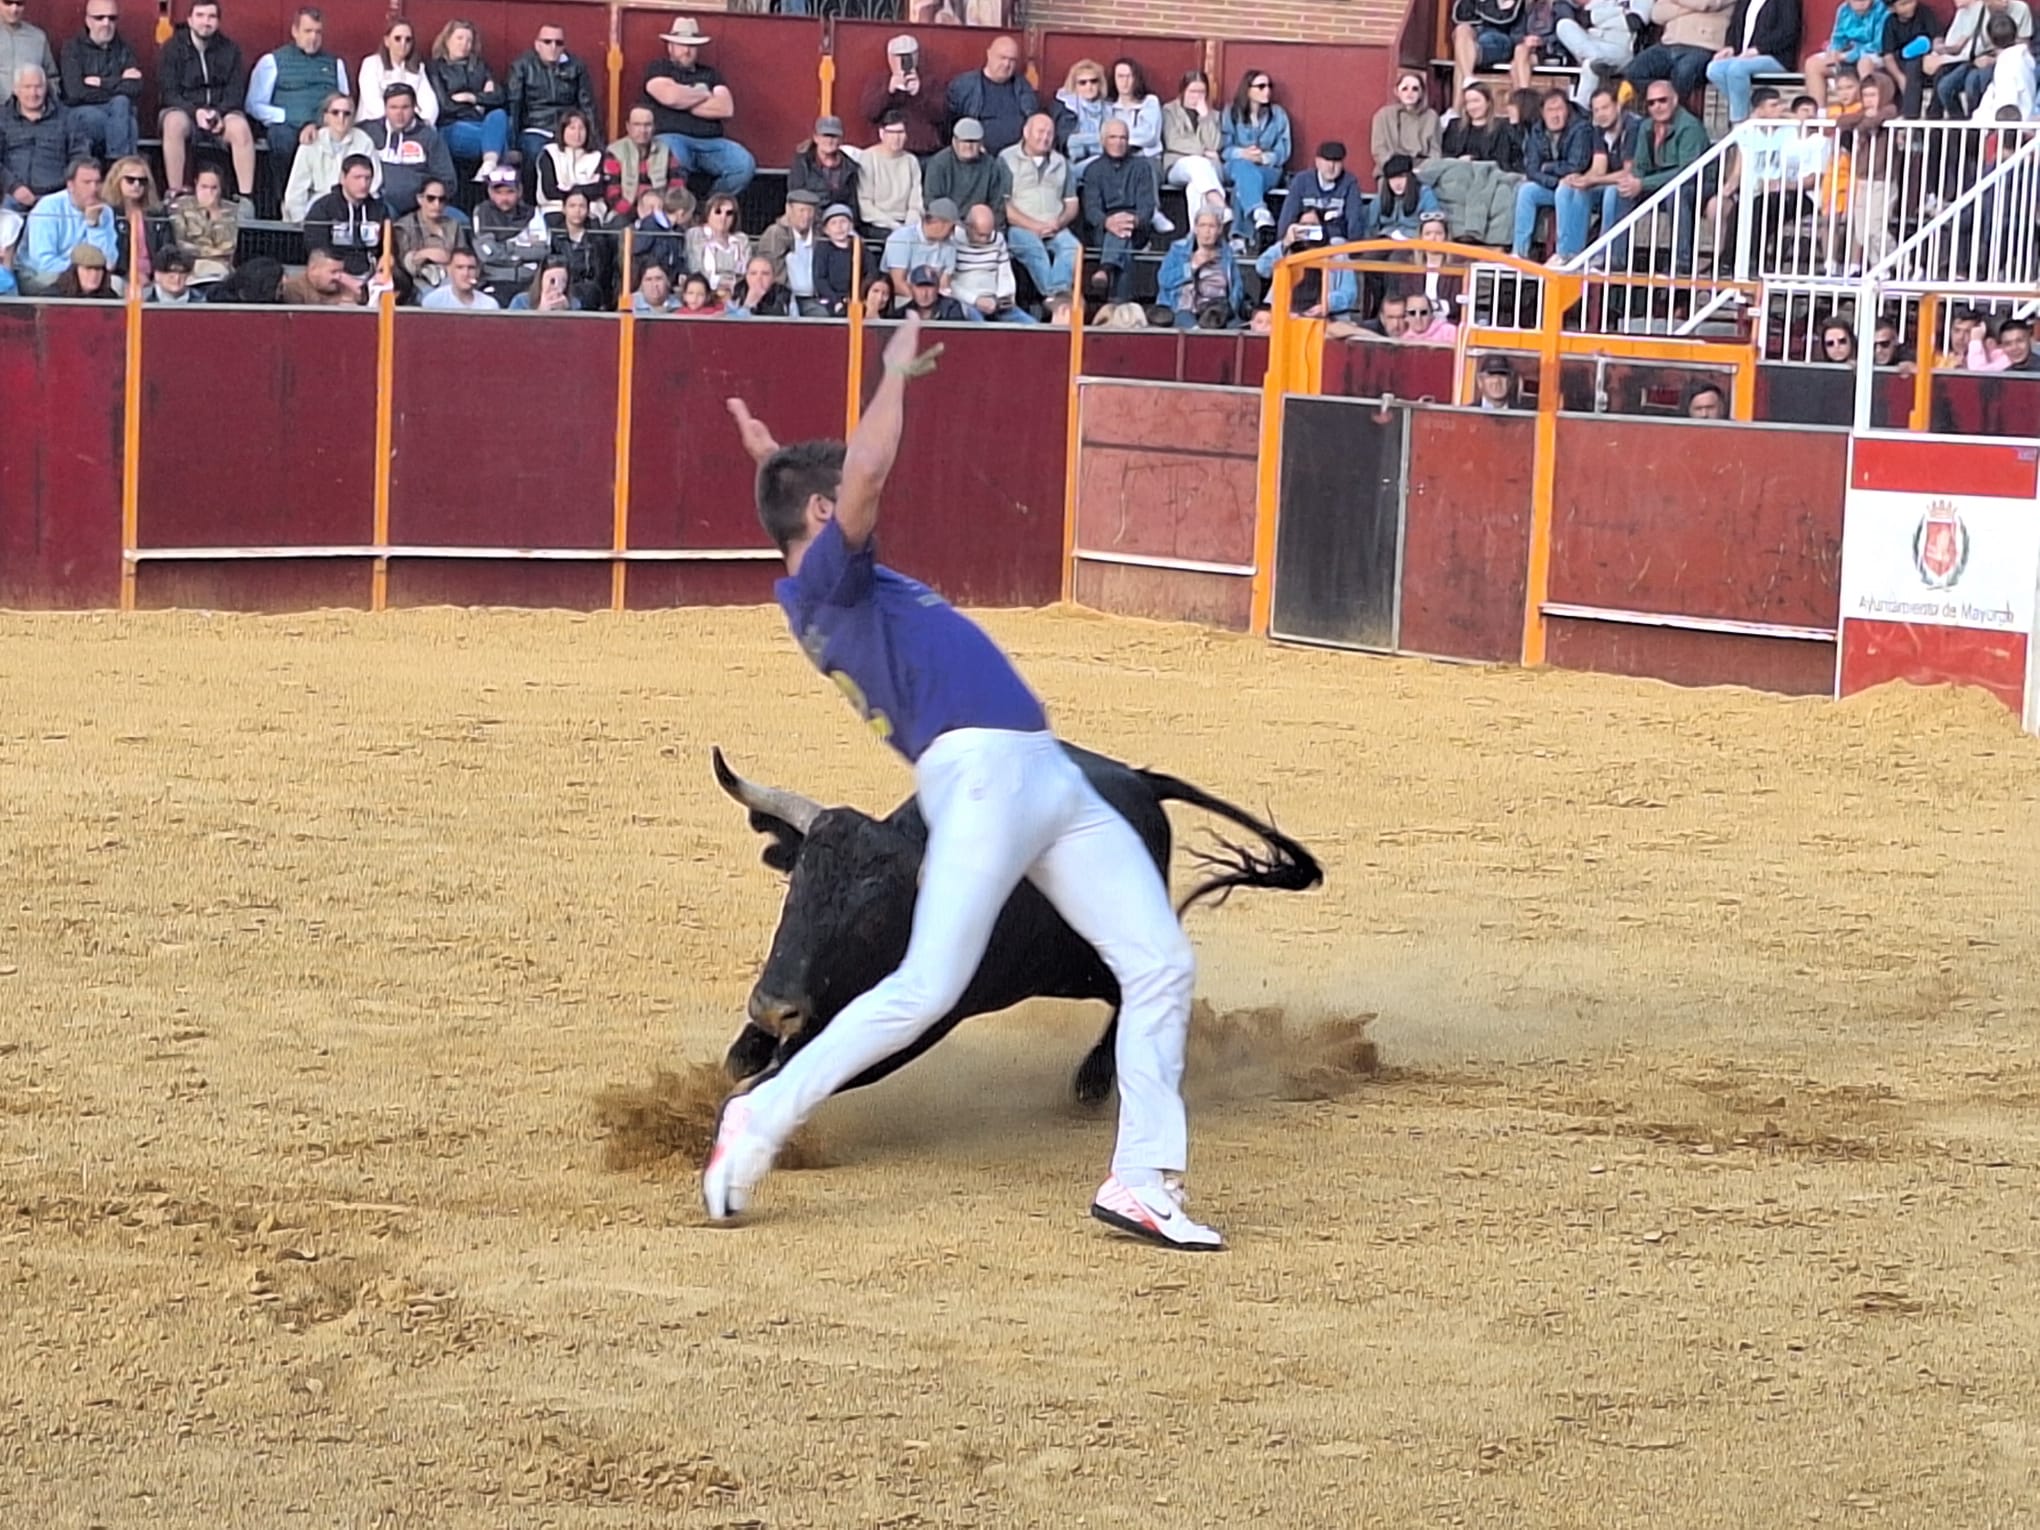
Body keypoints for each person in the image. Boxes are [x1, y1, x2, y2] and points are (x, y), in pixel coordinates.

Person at [705, 313, 1222, 1252]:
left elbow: (815, 490)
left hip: (1042, 769)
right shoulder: (833, 580)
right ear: (823, 522)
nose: (863, 510)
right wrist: (895, 374)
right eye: (838, 507)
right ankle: (761, 1117)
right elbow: (861, 474)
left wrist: (766, 456)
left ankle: (1141, 1181)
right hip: (982, 774)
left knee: (1159, 963)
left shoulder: (824, 581)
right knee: (927, 987)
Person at [642, 16, 754, 197]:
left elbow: (725, 108)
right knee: (675, 155)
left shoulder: (710, 74)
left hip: (711, 142)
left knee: (744, 164)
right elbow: (670, 97)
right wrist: (703, 94)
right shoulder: (658, 68)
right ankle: (680, 211)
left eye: (691, 46)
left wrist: (683, 100)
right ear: (670, 47)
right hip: (671, 138)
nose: (686, 51)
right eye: (681, 45)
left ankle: (710, 208)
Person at [157, 0, 255, 201]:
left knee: (240, 128)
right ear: (190, 20)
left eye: (211, 17)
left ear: (218, 21)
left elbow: (235, 91)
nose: (206, 22)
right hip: (185, 112)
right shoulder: (172, 49)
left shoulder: (230, 50)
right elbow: (168, 92)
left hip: (221, 113)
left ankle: (246, 198)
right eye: (200, 16)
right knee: (173, 123)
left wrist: (219, 113)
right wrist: (195, 112)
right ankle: (175, 194)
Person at [246, 5, 348, 174]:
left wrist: (316, 123)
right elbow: (254, 105)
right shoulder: (272, 61)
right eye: (308, 31)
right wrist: (294, 119)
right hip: (287, 127)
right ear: (295, 31)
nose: (313, 37)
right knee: (281, 137)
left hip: (325, 125)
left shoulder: (335, 64)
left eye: (318, 32)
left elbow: (345, 102)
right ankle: (284, 197)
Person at [1001, 110, 1078, 299]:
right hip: (1021, 227)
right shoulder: (1006, 158)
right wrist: (1034, 226)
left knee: (1073, 248)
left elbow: (1072, 203)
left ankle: (1058, 291)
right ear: (1026, 132)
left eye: (1049, 133)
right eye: (1040, 131)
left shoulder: (1062, 162)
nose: (1045, 137)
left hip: (1056, 227)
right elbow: (1005, 205)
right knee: (1034, 250)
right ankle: (1054, 296)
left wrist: (1058, 223)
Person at [1081, 118, 1154, 304]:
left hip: (1137, 229)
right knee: (1122, 239)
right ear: (1103, 140)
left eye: (1123, 138)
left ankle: (1105, 269)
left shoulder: (1142, 167)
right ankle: (1119, 302)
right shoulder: (1093, 170)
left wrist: (1131, 221)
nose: (1119, 142)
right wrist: (1108, 222)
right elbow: (1091, 210)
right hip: (1103, 228)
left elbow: (1147, 208)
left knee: (1123, 232)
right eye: (1113, 137)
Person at [59, 0, 143, 161]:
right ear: (88, 21)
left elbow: (136, 87)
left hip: (116, 111)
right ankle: (119, 168)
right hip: (81, 111)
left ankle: (116, 165)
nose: (106, 23)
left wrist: (102, 83)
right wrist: (120, 81)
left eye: (112, 18)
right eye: (100, 18)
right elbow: (76, 93)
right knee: (127, 120)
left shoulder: (124, 47)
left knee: (122, 104)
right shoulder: (72, 48)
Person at [506, 21, 593, 173]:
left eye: (558, 43)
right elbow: (514, 106)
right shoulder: (522, 66)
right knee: (535, 153)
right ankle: (530, 197)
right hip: (535, 128)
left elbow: (587, 105)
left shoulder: (576, 66)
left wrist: (595, 140)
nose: (553, 47)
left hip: (567, 129)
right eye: (547, 42)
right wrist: (512, 145)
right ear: (537, 45)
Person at [427, 19, 508, 181]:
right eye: (460, 38)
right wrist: (480, 104)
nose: (465, 44)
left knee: (499, 115)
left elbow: (500, 97)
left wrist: (472, 98)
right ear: (447, 40)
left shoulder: (480, 66)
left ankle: (488, 166)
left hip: (481, 124)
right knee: (501, 144)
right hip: (452, 126)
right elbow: (445, 105)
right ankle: (490, 167)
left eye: (469, 40)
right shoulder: (435, 67)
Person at [18, 154, 113, 290]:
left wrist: (94, 226)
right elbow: (43, 262)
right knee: (67, 285)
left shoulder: (105, 211)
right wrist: (79, 271)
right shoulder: (48, 207)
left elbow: (109, 262)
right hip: (38, 274)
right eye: (87, 183)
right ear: (71, 185)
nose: (93, 189)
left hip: (88, 274)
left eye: (97, 182)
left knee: (118, 286)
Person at [280, 91, 372, 223]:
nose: (341, 118)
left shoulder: (364, 141)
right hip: (315, 210)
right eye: (335, 112)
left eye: (347, 113)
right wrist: (302, 224)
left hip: (353, 211)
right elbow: (295, 192)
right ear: (325, 116)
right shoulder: (311, 143)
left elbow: (373, 186)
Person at [364, 82, 454, 218]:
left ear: (414, 107)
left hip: (422, 207)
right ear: (385, 108)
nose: (399, 113)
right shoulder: (369, 131)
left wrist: (428, 199)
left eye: (405, 107)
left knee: (461, 221)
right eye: (393, 107)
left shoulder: (429, 136)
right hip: (380, 204)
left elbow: (448, 181)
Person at [1222, 68, 1289, 241]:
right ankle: (1259, 211)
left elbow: (1284, 149)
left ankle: (1238, 238)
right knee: (1244, 168)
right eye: (1261, 86)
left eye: (1269, 86)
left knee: (1242, 186)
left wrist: (1264, 157)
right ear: (1248, 89)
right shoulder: (1231, 113)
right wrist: (1242, 153)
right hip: (1237, 165)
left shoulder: (1278, 114)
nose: (1267, 91)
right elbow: (1224, 148)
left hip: (1267, 169)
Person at [1708, 0, 1803, 122]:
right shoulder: (1744, 1)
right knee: (1714, 69)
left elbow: (1788, 32)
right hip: (1744, 57)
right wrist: (1731, 47)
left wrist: (1759, 49)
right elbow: (1734, 27)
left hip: (1776, 57)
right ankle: (1752, 109)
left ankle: (1739, 122)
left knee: (1737, 69)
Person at [1, 61, 81, 206]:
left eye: (38, 87)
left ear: (46, 88)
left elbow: (80, 156)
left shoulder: (67, 117)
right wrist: (14, 187)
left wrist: (69, 185)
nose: (33, 93)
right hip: (13, 195)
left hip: (56, 196)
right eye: (27, 87)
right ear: (16, 90)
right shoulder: (2, 118)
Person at [945, 35, 1035, 155]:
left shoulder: (1023, 87)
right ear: (989, 54)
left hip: (1017, 158)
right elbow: (949, 127)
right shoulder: (963, 86)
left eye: (1012, 60)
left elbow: (1034, 120)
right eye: (1002, 58)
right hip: (978, 157)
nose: (1007, 64)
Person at [303, 152, 388, 278]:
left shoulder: (379, 209)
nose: (363, 184)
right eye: (357, 178)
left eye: (367, 178)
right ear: (343, 178)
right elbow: (317, 251)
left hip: (372, 273)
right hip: (335, 274)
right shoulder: (323, 208)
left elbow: (387, 249)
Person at [1161, 71, 1229, 227]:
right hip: (1178, 166)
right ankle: (1219, 204)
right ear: (1183, 91)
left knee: (1195, 190)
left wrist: (1206, 117)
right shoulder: (1169, 111)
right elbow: (1173, 141)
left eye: (1202, 92)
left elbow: (1215, 144)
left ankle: (1196, 237)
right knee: (1198, 162)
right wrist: (1203, 151)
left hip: (1209, 169)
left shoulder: (1214, 115)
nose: (1197, 97)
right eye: (1193, 91)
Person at [1157, 206, 1242, 328]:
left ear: (1219, 229)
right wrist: (1192, 266)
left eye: (1211, 226)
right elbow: (1164, 280)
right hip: (1184, 309)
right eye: (1202, 225)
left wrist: (1231, 308)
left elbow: (1237, 288)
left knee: (1235, 331)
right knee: (1194, 332)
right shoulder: (1178, 250)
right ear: (1195, 228)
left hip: (1217, 310)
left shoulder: (1227, 254)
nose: (1207, 231)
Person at [860, 32, 944, 155]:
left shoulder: (930, 82)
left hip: (923, 151)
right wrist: (889, 91)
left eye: (909, 56)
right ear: (890, 57)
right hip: (889, 151)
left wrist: (919, 93)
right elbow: (869, 113)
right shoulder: (880, 81)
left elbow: (941, 115)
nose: (904, 61)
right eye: (899, 56)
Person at [923, 116, 1009, 220]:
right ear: (954, 141)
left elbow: (997, 205)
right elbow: (932, 202)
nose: (968, 146)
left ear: (981, 143)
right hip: (948, 223)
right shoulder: (939, 164)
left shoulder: (990, 166)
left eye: (973, 142)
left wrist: (995, 232)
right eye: (964, 141)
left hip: (981, 224)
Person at [357, 16, 437, 126]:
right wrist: (398, 121)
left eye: (408, 39)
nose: (403, 44)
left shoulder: (418, 68)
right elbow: (372, 102)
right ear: (387, 41)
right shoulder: (371, 64)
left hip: (411, 127)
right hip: (375, 126)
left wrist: (417, 123)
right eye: (397, 38)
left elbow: (430, 103)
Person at [603, 105, 673, 221]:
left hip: (660, 211)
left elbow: (676, 187)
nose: (643, 130)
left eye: (647, 125)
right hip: (624, 213)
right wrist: (636, 213)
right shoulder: (614, 151)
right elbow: (612, 192)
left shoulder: (665, 151)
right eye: (637, 125)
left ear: (654, 127)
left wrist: (661, 210)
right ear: (628, 127)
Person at [170, 164, 237, 281]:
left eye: (214, 188)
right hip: (190, 266)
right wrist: (213, 252)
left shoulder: (231, 210)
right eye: (204, 187)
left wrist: (215, 215)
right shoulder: (180, 206)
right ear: (196, 183)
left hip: (222, 268)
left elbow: (229, 247)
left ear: (221, 188)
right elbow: (179, 243)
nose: (208, 192)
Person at [536, 108, 603, 216]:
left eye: (581, 128)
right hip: (556, 208)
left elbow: (598, 189)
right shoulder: (549, 154)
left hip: (589, 210)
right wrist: (576, 193)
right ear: (563, 130)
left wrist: (570, 190)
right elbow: (549, 191)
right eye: (572, 128)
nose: (577, 134)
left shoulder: (597, 156)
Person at [1054, 58, 1108, 182]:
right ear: (1074, 85)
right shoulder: (1065, 106)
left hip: (1103, 162)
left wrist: (1085, 141)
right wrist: (1100, 139)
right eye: (1082, 82)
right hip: (1071, 163)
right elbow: (1068, 143)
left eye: (1093, 81)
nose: (1089, 86)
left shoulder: (1109, 108)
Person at [419, 245, 497, 309]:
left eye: (471, 268)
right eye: (460, 267)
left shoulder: (489, 305)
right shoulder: (433, 302)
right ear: (449, 270)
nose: (466, 273)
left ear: (477, 271)